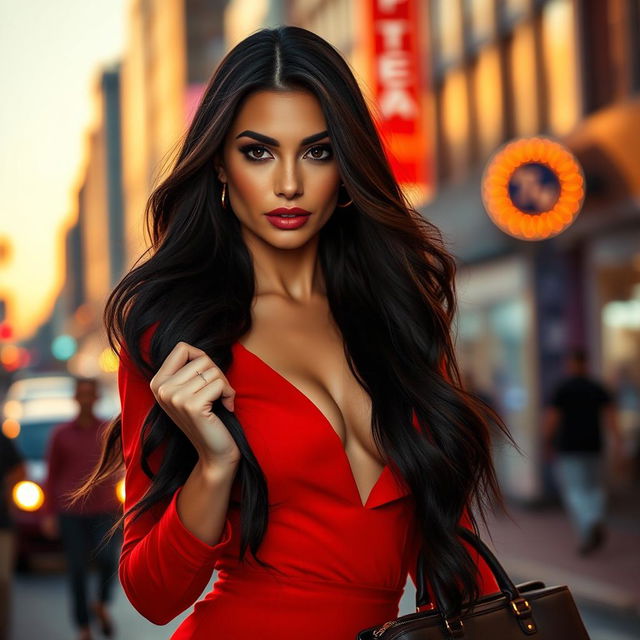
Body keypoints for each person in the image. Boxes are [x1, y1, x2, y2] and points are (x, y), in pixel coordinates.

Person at [71, 26, 511, 639]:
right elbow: (151, 593)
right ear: (220, 164)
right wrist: (214, 464)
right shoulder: (174, 335)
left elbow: (452, 557)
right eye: (258, 152)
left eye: (317, 151)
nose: (288, 183)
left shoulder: (398, 318)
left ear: (347, 164)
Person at [42, 378, 121, 640]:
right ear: (75, 398)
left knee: (110, 560)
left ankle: (100, 602)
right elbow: (52, 476)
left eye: (90, 394)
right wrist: (49, 514)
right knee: (76, 569)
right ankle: (83, 627)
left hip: (104, 509)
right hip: (71, 513)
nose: (86, 399)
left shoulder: (108, 430)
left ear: (96, 398)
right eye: (81, 394)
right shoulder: (60, 435)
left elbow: (121, 466)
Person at [542, 347, 624, 555]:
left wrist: (547, 441)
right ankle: (595, 520)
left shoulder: (563, 388)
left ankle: (588, 527)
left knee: (574, 491)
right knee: (595, 488)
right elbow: (611, 418)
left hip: (569, 448)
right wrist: (618, 443)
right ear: (587, 363)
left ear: (571, 364)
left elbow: (552, 418)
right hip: (594, 446)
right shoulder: (597, 387)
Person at [0, 429, 26, 640]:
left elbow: (20, 470)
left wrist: (8, 497)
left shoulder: (2, 440)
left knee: (2, 581)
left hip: (2, 525)